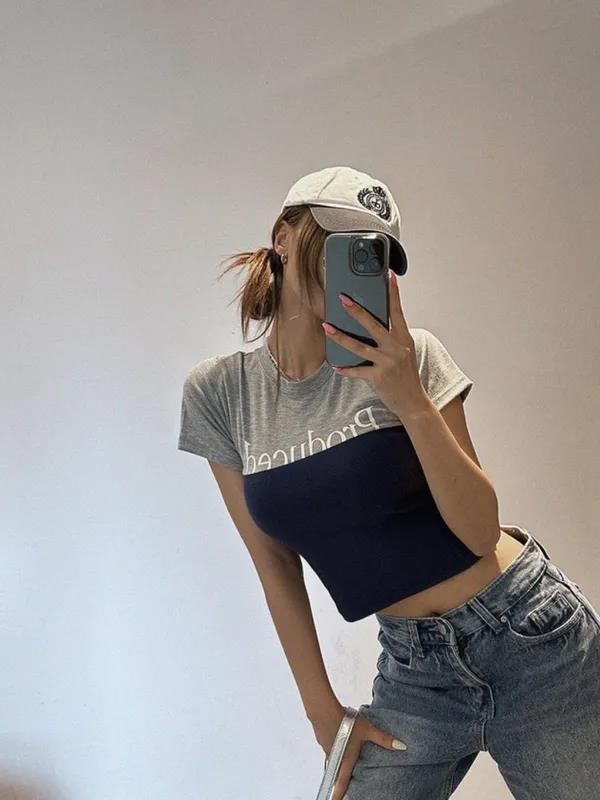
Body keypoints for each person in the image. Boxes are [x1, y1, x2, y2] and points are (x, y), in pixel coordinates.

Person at [177, 166, 600, 799]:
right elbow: (273, 564)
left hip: (532, 639)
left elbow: (479, 531)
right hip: (415, 671)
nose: (358, 268)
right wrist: (322, 712)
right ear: (284, 237)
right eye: (344, 244)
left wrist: (408, 398)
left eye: (373, 256)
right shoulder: (221, 394)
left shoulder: (412, 358)